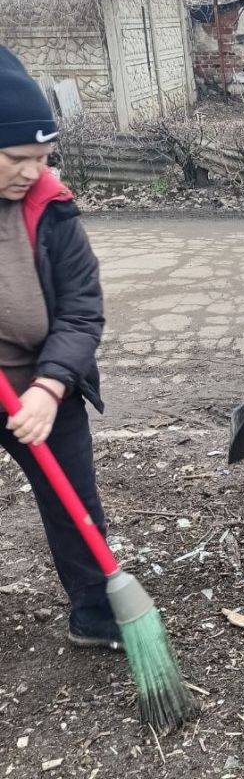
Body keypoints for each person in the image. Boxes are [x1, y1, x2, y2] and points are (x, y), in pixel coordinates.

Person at [0, 46, 120, 647]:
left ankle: (96, 616)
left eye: (43, 158)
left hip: (42, 383)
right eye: (17, 158)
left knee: (74, 502)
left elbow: (81, 308)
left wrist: (50, 387)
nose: (33, 171)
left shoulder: (52, 205)